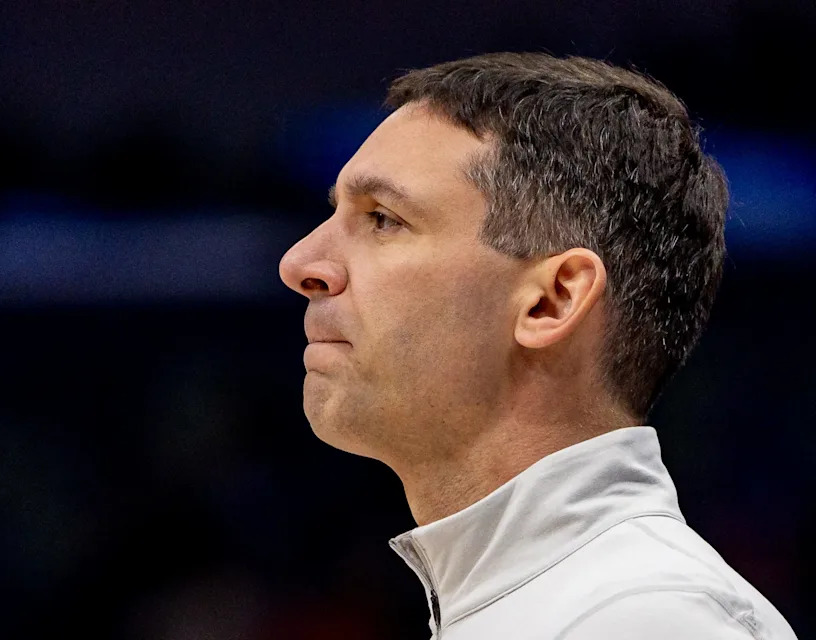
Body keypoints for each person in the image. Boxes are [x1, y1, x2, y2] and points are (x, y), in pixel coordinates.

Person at [277, 52, 798, 639]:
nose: (299, 264)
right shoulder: (559, 602)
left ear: (552, 301)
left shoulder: (646, 617)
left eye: (383, 219)